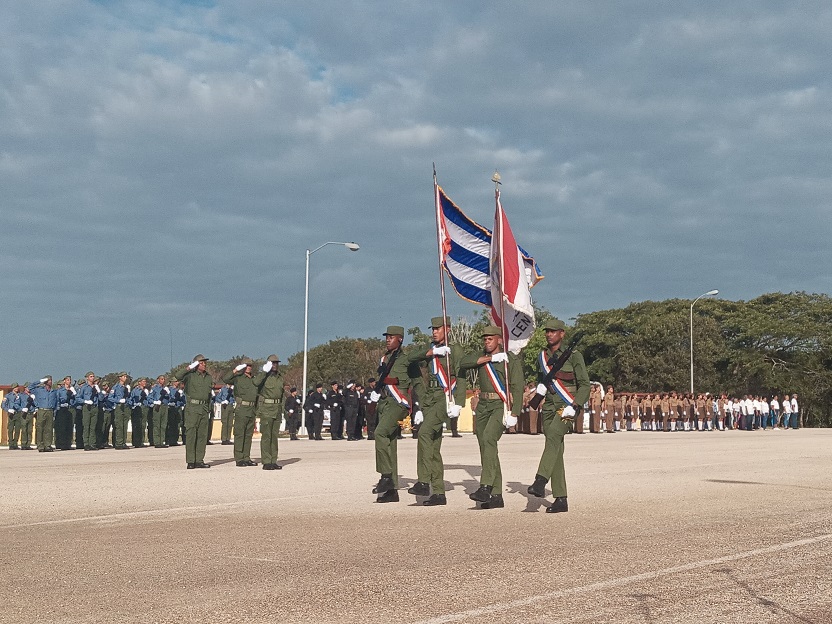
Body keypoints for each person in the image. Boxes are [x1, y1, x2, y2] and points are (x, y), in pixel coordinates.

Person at [526, 319, 590, 513]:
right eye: (547, 331)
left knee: (553, 434)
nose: (549, 334)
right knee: (555, 450)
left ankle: (540, 480)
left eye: (553, 332)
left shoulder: (574, 356)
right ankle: (561, 498)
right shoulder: (542, 357)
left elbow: (585, 384)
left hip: (567, 405)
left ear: (562, 334)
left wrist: (576, 404)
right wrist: (540, 388)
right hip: (549, 405)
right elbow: (541, 379)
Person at [458, 325, 524, 510]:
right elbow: (463, 363)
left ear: (499, 340)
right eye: (485, 339)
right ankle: (496, 496)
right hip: (483, 405)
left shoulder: (510, 359)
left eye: (490, 339)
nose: (487, 342)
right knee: (487, 447)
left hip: (499, 406)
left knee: (488, 439)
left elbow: (518, 386)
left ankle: (485, 487)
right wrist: (490, 358)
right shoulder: (482, 357)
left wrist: (515, 412)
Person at [406, 316, 467, 506]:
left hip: (445, 397)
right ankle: (439, 492)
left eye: (438, 328)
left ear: (447, 329)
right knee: (432, 445)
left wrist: (459, 402)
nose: (434, 331)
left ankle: (424, 481)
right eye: (432, 328)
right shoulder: (431, 350)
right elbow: (409, 358)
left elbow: (462, 375)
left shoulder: (455, 350)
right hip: (429, 397)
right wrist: (432, 351)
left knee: (423, 433)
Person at [369, 325, 422, 503]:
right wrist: (376, 390)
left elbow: (417, 382)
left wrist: (420, 407)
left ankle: (385, 477)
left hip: (398, 403)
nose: (387, 339)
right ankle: (391, 491)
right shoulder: (384, 358)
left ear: (400, 339)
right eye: (386, 337)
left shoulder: (406, 358)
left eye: (391, 337)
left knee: (380, 433)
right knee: (389, 443)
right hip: (384, 402)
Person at [179, 354, 213, 469]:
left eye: (204, 363)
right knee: (191, 434)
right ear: (196, 364)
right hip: (192, 407)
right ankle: (190, 461)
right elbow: (178, 376)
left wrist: (208, 408)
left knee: (202, 435)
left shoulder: (208, 377)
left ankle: (199, 460)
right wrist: (189, 368)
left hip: (204, 408)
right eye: (201, 362)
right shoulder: (190, 376)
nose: (204, 364)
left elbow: (208, 395)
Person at [223, 359, 258, 467]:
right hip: (241, 408)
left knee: (248, 435)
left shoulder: (254, 379)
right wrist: (235, 370)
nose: (249, 367)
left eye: (250, 366)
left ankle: (246, 457)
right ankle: (239, 458)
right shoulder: (238, 378)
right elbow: (225, 379)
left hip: (251, 409)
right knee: (239, 434)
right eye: (246, 365)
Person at [254, 354, 285, 470]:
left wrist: (282, 409)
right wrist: (263, 372)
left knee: (274, 436)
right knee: (267, 436)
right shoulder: (263, 377)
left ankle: (273, 460)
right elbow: (256, 383)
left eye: (277, 363)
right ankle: (266, 461)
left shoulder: (280, 377)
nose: (275, 365)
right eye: (273, 363)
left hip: (276, 408)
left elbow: (282, 395)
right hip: (267, 408)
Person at [28, 376, 59, 452]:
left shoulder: (53, 391)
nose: (50, 382)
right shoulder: (39, 390)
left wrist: (55, 412)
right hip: (41, 410)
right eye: (48, 380)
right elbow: (30, 387)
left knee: (49, 429)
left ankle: (47, 445)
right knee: (40, 428)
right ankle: (40, 446)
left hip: (50, 411)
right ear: (45, 382)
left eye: (51, 380)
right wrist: (40, 381)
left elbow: (56, 402)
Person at [77, 372, 99, 451]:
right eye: (91, 376)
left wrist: (99, 391)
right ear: (87, 378)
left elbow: (101, 399)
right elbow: (78, 398)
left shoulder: (96, 387)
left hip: (94, 407)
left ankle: (92, 443)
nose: (92, 378)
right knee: (86, 426)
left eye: (93, 376)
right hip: (87, 408)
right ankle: (86, 444)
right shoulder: (84, 387)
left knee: (93, 427)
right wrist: (85, 401)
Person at [148, 375, 170, 448]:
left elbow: (171, 398)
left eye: (164, 379)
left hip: (164, 406)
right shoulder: (154, 388)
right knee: (157, 424)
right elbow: (149, 398)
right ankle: (157, 442)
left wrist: (168, 393)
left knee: (163, 424)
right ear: (158, 380)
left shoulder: (166, 388)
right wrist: (155, 402)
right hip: (157, 406)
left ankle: (162, 441)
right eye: (161, 379)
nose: (163, 380)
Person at [55, 377, 75, 450]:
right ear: (64, 381)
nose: (69, 381)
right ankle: (62, 444)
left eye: (70, 380)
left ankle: (68, 444)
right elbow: (58, 400)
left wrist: (73, 394)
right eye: (67, 380)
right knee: (62, 428)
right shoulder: (60, 391)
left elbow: (74, 400)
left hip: (69, 409)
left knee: (69, 427)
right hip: (62, 409)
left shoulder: (72, 390)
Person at [3, 383, 22, 449]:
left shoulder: (20, 395)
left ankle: (15, 443)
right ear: (13, 388)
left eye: (17, 387)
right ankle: (11, 444)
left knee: (17, 429)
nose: (16, 388)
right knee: (10, 429)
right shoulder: (8, 396)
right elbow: (3, 405)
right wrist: (8, 410)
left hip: (18, 413)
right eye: (15, 387)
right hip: (11, 414)